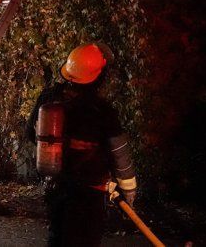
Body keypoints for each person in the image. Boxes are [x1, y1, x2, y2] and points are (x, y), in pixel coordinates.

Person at [27, 43, 137, 247]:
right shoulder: (102, 111)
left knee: (58, 239)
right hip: (90, 195)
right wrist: (128, 193)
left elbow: (31, 134)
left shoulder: (49, 101)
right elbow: (120, 153)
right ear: (99, 76)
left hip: (58, 188)